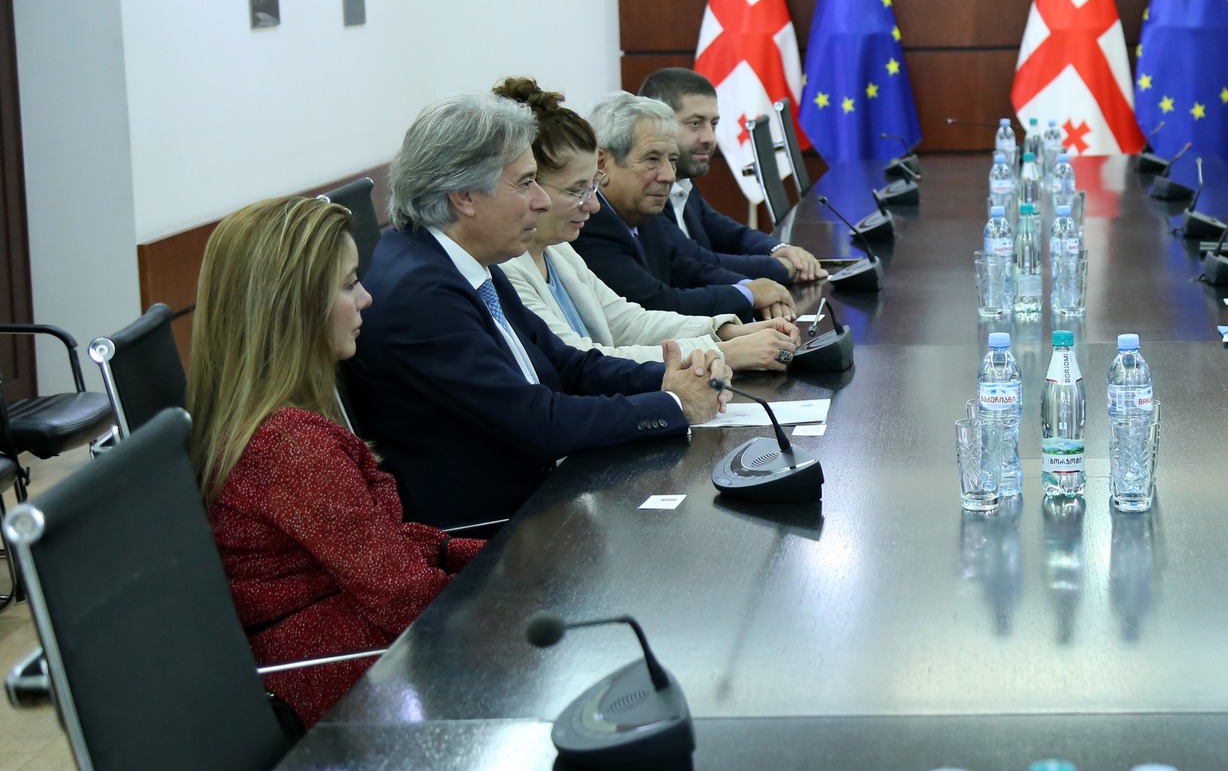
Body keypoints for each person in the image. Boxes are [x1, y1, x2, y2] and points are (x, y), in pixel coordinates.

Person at [346, 93, 728, 527]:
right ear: (464, 196)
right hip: (498, 530)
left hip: (546, 495)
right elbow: (539, 422)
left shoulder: (462, 260)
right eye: (526, 183)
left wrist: (674, 377)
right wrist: (673, 403)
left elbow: (569, 365)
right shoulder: (421, 293)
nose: (542, 200)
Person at [189, 195, 486, 728]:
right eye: (350, 285)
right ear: (295, 307)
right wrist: (506, 604)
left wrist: (484, 559)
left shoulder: (269, 426)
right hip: (348, 682)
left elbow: (379, 547)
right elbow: (402, 597)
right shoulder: (290, 447)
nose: (367, 298)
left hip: (351, 654)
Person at [492, 78, 801, 370]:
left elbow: (628, 322)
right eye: (577, 191)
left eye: (592, 187)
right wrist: (725, 352)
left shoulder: (560, 251)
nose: (593, 204)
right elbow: (581, 363)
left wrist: (725, 332)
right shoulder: (506, 270)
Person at [574, 92, 799, 321]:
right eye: (652, 159)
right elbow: (657, 304)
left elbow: (684, 268)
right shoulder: (588, 223)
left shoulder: (639, 211)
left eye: (672, 160)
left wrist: (752, 286)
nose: (669, 176)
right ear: (601, 164)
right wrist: (748, 295)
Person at [639, 66, 826, 283]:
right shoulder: (645, 192)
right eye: (695, 124)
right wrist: (784, 268)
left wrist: (778, 248)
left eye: (714, 124)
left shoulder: (683, 181)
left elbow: (731, 234)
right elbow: (696, 263)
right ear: (656, 123)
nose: (710, 138)